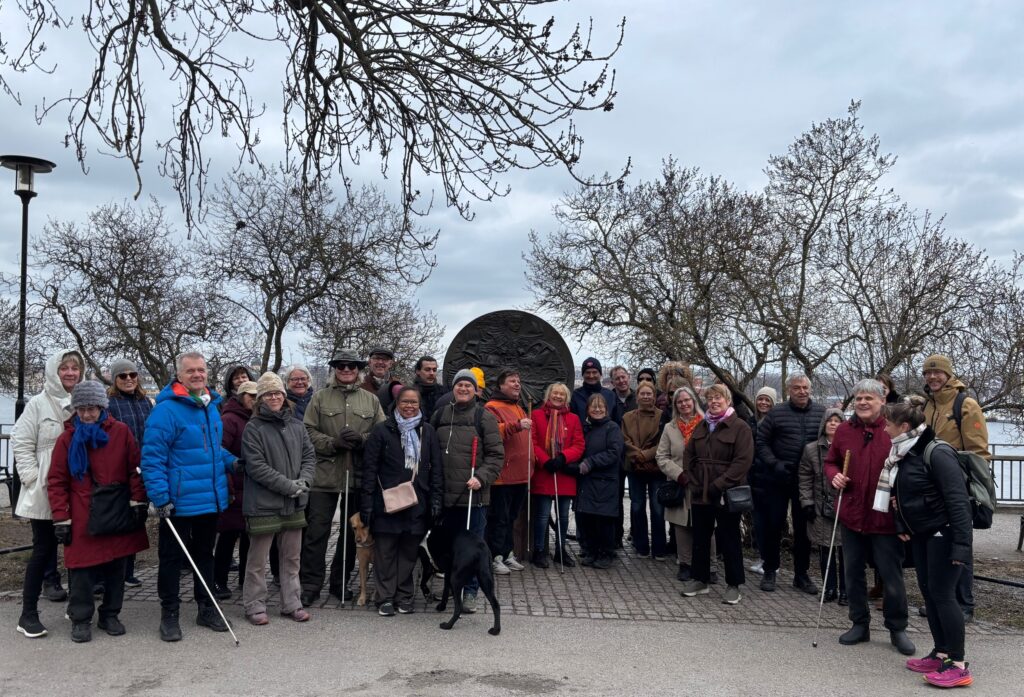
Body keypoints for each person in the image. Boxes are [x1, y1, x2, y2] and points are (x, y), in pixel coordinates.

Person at [140, 351, 237, 642]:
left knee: (204, 556)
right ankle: (169, 613)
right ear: (179, 376)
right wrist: (159, 497)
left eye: (201, 370)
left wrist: (232, 461)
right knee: (171, 558)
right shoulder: (166, 411)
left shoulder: (211, 406)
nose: (197, 375)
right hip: (178, 500)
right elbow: (152, 458)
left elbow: (209, 450)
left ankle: (206, 607)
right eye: (191, 371)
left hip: (209, 497)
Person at [46, 381, 150, 642]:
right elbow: (56, 481)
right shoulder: (67, 439)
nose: (86, 414)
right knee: (81, 570)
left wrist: (138, 502)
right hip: (82, 511)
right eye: (81, 409)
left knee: (117, 566)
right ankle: (80, 618)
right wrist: (61, 517)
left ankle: (110, 614)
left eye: (91, 408)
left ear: (102, 407)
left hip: (115, 506)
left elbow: (134, 470)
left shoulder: (121, 432)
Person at [888, 398, 975, 687]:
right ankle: (941, 652)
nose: (884, 429)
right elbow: (902, 495)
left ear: (903, 426)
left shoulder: (936, 453)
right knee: (929, 591)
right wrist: (902, 523)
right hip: (924, 535)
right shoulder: (904, 453)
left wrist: (962, 546)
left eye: (887, 424)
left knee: (943, 594)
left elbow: (958, 501)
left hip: (945, 534)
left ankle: (959, 665)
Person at [824, 379, 914, 656]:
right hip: (852, 514)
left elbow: (912, 468)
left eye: (869, 399)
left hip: (884, 517)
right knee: (852, 573)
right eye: (859, 398)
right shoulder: (843, 431)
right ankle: (859, 623)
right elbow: (830, 462)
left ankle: (897, 627)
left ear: (882, 401)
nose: (863, 403)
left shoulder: (894, 431)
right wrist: (834, 476)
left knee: (891, 576)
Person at [301, 347, 386, 606]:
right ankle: (310, 584)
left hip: (356, 477)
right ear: (334, 369)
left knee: (351, 536)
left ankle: (340, 583)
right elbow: (307, 431)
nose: (346, 370)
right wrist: (332, 443)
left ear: (359, 370)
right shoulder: (319, 398)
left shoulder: (370, 400)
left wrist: (362, 440)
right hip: (324, 477)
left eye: (351, 366)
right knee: (316, 533)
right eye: (341, 366)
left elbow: (382, 434)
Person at [13, 349, 84, 638]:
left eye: (74, 368)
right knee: (43, 549)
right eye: (64, 368)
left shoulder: (82, 402)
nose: (70, 373)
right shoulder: (38, 405)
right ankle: (27, 613)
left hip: (76, 486)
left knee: (77, 549)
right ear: (54, 371)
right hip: (45, 487)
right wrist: (31, 478)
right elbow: (21, 441)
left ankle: (77, 605)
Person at [240, 372, 316, 626]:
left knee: (292, 557)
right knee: (257, 559)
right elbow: (256, 466)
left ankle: (292, 602)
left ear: (284, 396)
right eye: (268, 394)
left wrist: (304, 482)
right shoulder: (254, 428)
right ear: (261, 398)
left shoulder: (297, 425)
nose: (274, 397)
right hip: (264, 503)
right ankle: (255, 604)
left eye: (277, 393)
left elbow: (309, 457)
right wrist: (288, 486)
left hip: (294, 501)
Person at [361, 386, 443, 616]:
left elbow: (436, 468)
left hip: (418, 501)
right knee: (385, 552)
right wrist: (366, 503)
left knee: (408, 553)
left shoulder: (427, 431)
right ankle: (385, 597)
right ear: (396, 404)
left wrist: (436, 499)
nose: (409, 406)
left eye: (413, 402)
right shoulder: (382, 431)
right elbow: (369, 469)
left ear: (419, 405)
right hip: (387, 501)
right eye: (404, 402)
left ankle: (404, 595)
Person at [922, 353, 989, 624]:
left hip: (956, 487)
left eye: (937, 373)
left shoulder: (966, 405)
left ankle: (964, 604)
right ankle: (942, 601)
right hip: (930, 487)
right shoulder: (927, 405)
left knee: (961, 545)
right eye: (927, 373)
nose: (932, 377)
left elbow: (978, 452)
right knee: (937, 546)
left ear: (949, 375)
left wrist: (971, 490)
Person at [431, 369, 504, 611]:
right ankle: (452, 590)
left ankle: (471, 591)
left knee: (473, 549)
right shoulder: (440, 414)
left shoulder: (484, 417)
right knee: (450, 550)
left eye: (468, 385)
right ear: (453, 388)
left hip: (473, 496)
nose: (463, 389)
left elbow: (495, 456)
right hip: (445, 498)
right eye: (460, 385)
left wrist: (481, 477)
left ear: (475, 390)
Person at [678, 384, 753, 605]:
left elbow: (742, 462)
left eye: (718, 398)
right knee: (700, 536)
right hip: (700, 490)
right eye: (710, 398)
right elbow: (689, 454)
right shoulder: (702, 426)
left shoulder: (740, 427)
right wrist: (691, 479)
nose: (714, 401)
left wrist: (719, 484)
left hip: (726, 492)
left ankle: (734, 585)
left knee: (729, 538)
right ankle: (699, 579)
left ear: (728, 401)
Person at [754, 374, 825, 594]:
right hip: (778, 477)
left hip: (806, 480)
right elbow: (761, 441)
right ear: (789, 390)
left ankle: (801, 575)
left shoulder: (821, 413)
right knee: (773, 526)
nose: (802, 391)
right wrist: (774, 463)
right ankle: (770, 570)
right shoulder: (777, 413)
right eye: (797, 388)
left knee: (803, 529)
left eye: (805, 387)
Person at [656, 386, 714, 583]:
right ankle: (685, 564)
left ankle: (710, 565)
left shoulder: (707, 424)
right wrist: (678, 474)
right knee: (682, 526)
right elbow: (661, 456)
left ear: (694, 401)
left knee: (707, 525)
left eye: (687, 400)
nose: (684, 404)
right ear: (675, 405)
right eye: (679, 402)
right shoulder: (670, 428)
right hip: (680, 482)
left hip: (703, 483)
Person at [105, 358, 153, 588]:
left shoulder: (145, 402)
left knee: (137, 517)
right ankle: (112, 570)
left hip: (143, 466)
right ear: (115, 379)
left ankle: (128, 570)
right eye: (122, 376)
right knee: (119, 518)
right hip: (119, 468)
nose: (128, 379)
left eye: (132, 375)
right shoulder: (109, 403)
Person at [530, 382, 585, 568]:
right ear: (549, 395)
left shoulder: (574, 419)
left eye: (562, 394)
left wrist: (563, 458)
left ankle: (561, 549)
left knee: (563, 516)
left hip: (564, 472)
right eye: (555, 393)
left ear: (566, 398)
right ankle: (539, 550)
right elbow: (533, 441)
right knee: (542, 516)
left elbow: (579, 445)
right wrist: (545, 460)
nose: (558, 396)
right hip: (545, 471)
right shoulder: (537, 415)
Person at [484, 369, 533, 575]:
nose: (517, 384)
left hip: (520, 475)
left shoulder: (519, 407)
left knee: (511, 517)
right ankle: (494, 556)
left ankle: (506, 553)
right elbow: (493, 432)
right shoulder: (491, 407)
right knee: (499, 518)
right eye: (512, 381)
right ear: (501, 386)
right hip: (503, 476)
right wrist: (515, 426)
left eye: (519, 381)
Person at [213, 379, 257, 599]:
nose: (254, 399)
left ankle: (244, 579)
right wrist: (229, 486)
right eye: (250, 395)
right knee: (228, 537)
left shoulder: (257, 418)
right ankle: (218, 580)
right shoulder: (229, 419)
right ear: (241, 396)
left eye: (258, 395)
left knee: (249, 537)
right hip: (233, 486)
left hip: (252, 487)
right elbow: (219, 453)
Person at [798, 408, 846, 604]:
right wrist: (807, 502)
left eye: (837, 420)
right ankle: (829, 587)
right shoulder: (811, 449)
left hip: (844, 506)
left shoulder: (849, 448)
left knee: (845, 551)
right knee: (825, 549)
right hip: (820, 505)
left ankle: (846, 589)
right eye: (830, 421)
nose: (833, 424)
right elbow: (804, 478)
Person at [571, 394, 624, 569]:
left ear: (606, 409)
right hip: (587, 481)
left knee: (604, 520)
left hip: (605, 480)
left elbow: (614, 453)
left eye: (601, 406)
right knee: (588, 518)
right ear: (588, 410)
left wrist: (591, 462)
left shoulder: (612, 428)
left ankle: (606, 553)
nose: (597, 409)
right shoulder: (586, 428)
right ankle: (591, 551)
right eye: (594, 406)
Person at [622, 381, 667, 559]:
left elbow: (663, 442)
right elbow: (624, 441)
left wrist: (645, 455)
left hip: (656, 468)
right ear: (637, 395)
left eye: (649, 394)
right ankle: (641, 546)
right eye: (643, 393)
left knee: (658, 508)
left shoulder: (662, 416)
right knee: (637, 506)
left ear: (654, 397)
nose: (646, 396)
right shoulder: (627, 417)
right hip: (634, 468)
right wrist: (638, 456)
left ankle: (659, 548)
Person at [746, 386, 778, 575]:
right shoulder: (750, 422)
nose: (763, 403)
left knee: (772, 523)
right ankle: (763, 557)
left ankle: (771, 561)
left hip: (771, 479)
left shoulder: (777, 423)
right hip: (754, 478)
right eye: (760, 399)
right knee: (758, 523)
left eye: (768, 400)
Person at [380, 355, 444, 416]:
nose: (431, 373)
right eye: (427, 370)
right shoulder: (408, 393)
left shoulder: (444, 392)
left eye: (434, 370)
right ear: (418, 371)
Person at [570, 357, 622, 426]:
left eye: (594, 372)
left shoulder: (611, 395)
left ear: (600, 374)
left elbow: (617, 421)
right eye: (588, 372)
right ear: (583, 375)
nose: (591, 376)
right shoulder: (575, 396)